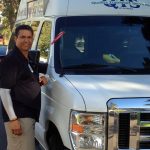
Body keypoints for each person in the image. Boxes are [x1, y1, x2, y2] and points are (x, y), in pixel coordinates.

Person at [0, 25, 48, 150]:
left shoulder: (26, 59)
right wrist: (13, 119)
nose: (26, 40)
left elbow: (23, 84)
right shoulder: (11, 60)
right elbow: (4, 91)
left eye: (29, 37)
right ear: (16, 38)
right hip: (19, 117)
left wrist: (39, 82)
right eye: (22, 37)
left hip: (27, 116)